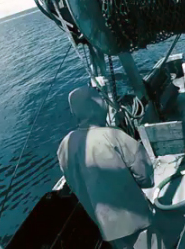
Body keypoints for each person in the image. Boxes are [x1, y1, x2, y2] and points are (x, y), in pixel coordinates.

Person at [57, 86, 164, 249]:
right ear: (96, 106)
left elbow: (74, 184)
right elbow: (145, 176)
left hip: (105, 225)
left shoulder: (65, 145)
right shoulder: (113, 136)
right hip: (137, 218)